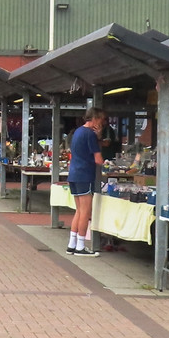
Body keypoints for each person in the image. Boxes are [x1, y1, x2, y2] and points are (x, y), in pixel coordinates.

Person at [66, 106, 105, 256]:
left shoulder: (78, 131)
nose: (102, 122)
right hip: (84, 175)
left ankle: (72, 244)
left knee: (79, 210)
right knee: (86, 211)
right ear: (95, 119)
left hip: (74, 174)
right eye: (101, 119)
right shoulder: (90, 134)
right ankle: (81, 246)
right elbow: (98, 159)